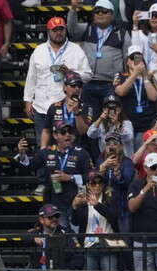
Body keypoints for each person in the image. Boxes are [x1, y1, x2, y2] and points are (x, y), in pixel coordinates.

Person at [24, 17, 92, 152]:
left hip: (66, 107)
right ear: (48, 31)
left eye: (61, 29)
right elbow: (31, 77)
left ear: (65, 30)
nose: (58, 33)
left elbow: (88, 75)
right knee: (43, 147)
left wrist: (70, 72)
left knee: (66, 147)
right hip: (42, 107)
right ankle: (44, 173)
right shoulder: (39, 50)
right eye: (54, 30)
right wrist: (28, 100)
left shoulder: (76, 50)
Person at [71, 171, 127, 271]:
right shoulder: (82, 200)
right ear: (88, 185)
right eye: (93, 183)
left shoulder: (109, 198)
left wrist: (97, 205)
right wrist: (74, 206)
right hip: (89, 246)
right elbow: (76, 221)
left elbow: (114, 216)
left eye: (99, 183)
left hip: (108, 245)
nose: (96, 186)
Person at [17, 122, 92, 226]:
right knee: (61, 235)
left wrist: (70, 177)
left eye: (70, 132)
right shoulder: (47, 152)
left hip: (76, 200)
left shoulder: (81, 153)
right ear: (55, 135)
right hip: (56, 203)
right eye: (63, 132)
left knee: (76, 236)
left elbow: (90, 176)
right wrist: (22, 153)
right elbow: (29, 166)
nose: (67, 135)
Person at [67, 0, 129, 118]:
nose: (100, 14)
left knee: (111, 119)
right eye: (97, 11)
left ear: (112, 14)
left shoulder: (121, 33)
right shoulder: (87, 28)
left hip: (111, 84)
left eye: (104, 11)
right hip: (88, 83)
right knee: (88, 118)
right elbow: (71, 29)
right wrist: (73, 10)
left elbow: (127, 58)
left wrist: (123, 80)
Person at [114, 45, 157, 136]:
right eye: (132, 58)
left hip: (148, 124)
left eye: (139, 58)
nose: (136, 61)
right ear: (127, 62)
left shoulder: (149, 77)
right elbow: (121, 92)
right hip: (128, 124)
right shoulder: (120, 76)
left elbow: (154, 97)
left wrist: (145, 77)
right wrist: (135, 73)